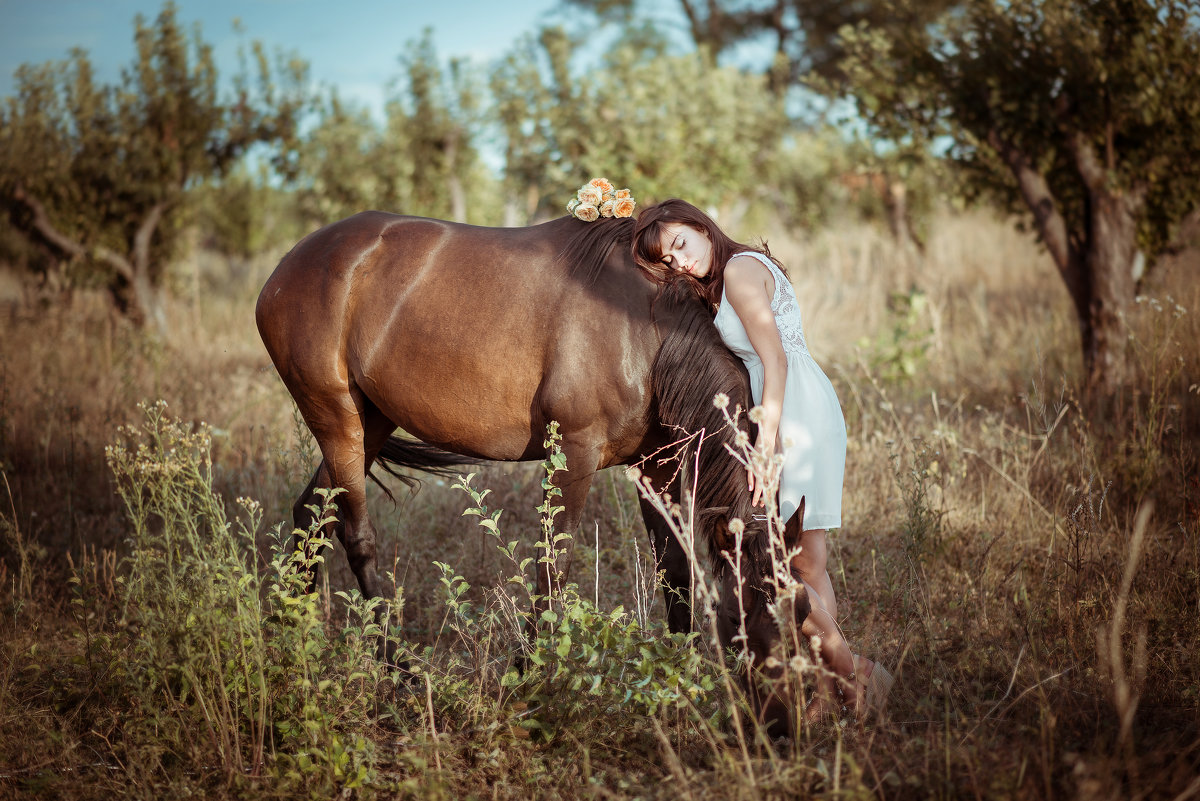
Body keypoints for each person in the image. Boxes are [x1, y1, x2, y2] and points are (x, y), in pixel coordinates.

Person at [630, 198, 892, 719]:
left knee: (779, 561)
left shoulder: (741, 273)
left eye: (681, 244)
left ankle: (857, 671)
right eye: (670, 261)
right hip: (798, 403)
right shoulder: (732, 270)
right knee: (809, 561)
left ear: (702, 226)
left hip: (789, 412)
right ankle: (823, 688)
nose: (680, 262)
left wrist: (766, 435)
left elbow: (772, 355)